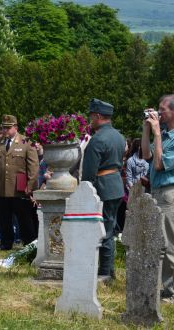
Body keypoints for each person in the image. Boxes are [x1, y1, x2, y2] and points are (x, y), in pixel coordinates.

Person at [82, 98, 126, 279]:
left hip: (102, 187)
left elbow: (89, 172)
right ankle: (109, 270)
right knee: (111, 227)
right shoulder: (118, 136)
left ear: (98, 116)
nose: (90, 120)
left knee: (104, 230)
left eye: (92, 116)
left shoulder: (97, 139)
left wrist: (85, 191)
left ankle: (105, 272)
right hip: (115, 185)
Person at [0, 114, 39, 250]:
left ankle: (29, 244)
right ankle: (6, 243)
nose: (5, 130)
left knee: (24, 219)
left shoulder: (26, 142)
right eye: (3, 127)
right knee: (4, 218)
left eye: (8, 128)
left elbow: (33, 167)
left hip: (20, 189)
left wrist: (30, 186)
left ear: (15, 127)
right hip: (1, 188)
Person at [141, 94, 174, 301]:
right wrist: (147, 129)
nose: (159, 113)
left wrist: (157, 136)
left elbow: (160, 164)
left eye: (163, 109)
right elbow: (146, 156)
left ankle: (172, 291)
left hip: (169, 193)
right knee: (159, 241)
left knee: (170, 243)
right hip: (156, 192)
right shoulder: (161, 133)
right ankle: (167, 287)